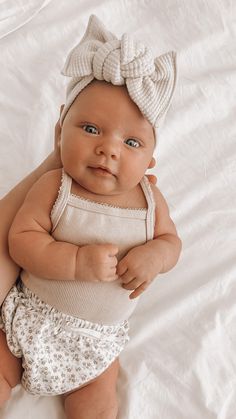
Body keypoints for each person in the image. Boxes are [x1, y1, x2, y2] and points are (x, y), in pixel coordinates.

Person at [0, 15, 181, 419]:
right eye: (91, 129)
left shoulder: (151, 202)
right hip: (28, 323)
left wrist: (156, 257)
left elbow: (171, 243)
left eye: (130, 141)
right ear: (60, 129)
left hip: (95, 347)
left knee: (98, 406)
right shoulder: (54, 186)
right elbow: (21, 239)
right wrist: (75, 261)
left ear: (151, 158)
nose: (108, 150)